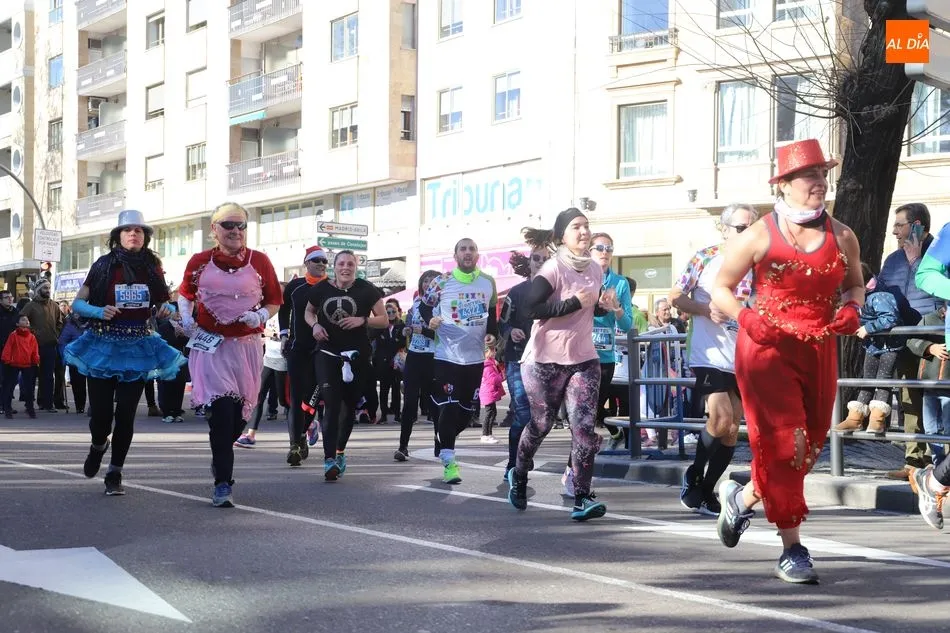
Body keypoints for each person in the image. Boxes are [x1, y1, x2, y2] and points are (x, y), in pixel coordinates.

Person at [711, 139, 863, 584]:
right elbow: (721, 287)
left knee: (809, 445)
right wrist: (745, 318)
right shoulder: (759, 234)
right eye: (809, 175)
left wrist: (853, 308)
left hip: (818, 350)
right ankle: (792, 549)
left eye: (823, 174)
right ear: (784, 183)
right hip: (766, 351)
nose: (820, 182)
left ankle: (742, 499)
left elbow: (855, 285)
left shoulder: (843, 235)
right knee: (786, 444)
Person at [507, 208, 618, 521]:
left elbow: (588, 308)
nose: (583, 232)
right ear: (561, 236)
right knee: (541, 424)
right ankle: (519, 473)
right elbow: (531, 309)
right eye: (576, 227)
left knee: (584, 428)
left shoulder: (594, 269)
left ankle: (582, 496)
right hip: (545, 360)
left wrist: (601, 306)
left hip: (584, 359)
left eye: (586, 226)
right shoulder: (553, 268)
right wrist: (573, 303)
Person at [66, 210, 186, 496]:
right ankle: (98, 445)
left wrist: (167, 309)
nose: (134, 234)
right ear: (118, 236)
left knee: (126, 415)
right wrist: (98, 311)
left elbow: (165, 303)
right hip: (103, 346)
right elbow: (77, 304)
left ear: (145, 237)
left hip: (137, 347)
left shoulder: (152, 266)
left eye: (139, 230)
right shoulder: (103, 264)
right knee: (101, 417)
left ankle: (115, 472)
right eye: (128, 230)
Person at [177, 202, 282, 507]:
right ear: (214, 229)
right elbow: (185, 294)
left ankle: (221, 454)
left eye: (241, 225)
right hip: (211, 347)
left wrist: (260, 314)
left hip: (247, 348)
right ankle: (223, 482)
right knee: (221, 414)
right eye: (228, 225)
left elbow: (275, 300)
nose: (236, 231)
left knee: (237, 419)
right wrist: (186, 319)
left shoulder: (259, 261)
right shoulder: (199, 261)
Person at [671, 203, 757, 516]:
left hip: (741, 354)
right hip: (707, 352)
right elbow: (675, 297)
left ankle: (707, 491)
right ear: (724, 229)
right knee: (720, 418)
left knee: (732, 428)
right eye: (741, 228)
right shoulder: (705, 257)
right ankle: (693, 474)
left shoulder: (758, 264)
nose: (747, 233)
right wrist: (707, 310)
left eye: (752, 228)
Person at [304, 250, 387, 480]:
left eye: (350, 264)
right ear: (334, 266)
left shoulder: (367, 289)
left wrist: (363, 320)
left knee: (348, 407)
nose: (346, 268)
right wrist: (315, 326)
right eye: (341, 263)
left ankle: (340, 451)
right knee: (331, 404)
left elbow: (384, 320)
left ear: (356, 267)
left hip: (356, 356)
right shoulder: (322, 288)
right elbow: (309, 312)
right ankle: (329, 459)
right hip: (327, 353)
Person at [423, 238, 499, 484]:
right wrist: (430, 319)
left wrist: (492, 335)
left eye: (472, 249)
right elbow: (424, 307)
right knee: (449, 406)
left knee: (466, 413)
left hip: (474, 358)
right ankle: (449, 461)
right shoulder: (441, 281)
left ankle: (443, 440)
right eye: (463, 249)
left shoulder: (488, 282)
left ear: (477, 255)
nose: (468, 252)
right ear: (455, 255)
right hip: (446, 355)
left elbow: (492, 316)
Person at [878, 202, 934, 479]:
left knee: (937, 399)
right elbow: (882, 291)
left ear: (917, 226)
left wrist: (916, 262)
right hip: (903, 337)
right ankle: (914, 463)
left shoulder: (939, 253)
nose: (894, 231)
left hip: (935, 336)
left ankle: (939, 465)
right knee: (909, 399)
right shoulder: (892, 259)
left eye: (899, 225)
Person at [836, 263, 915, 435]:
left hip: (890, 346)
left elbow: (890, 318)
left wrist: (868, 328)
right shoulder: (864, 295)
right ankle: (855, 418)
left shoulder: (880, 296)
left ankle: (877, 419)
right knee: (867, 379)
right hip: (874, 345)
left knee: (883, 379)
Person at [499, 245, 549, 479]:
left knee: (540, 418)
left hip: (546, 361)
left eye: (545, 258)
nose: (539, 262)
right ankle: (513, 464)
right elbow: (502, 322)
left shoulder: (557, 291)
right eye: (536, 258)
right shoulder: (517, 291)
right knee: (522, 413)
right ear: (529, 262)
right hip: (518, 358)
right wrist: (511, 331)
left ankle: (524, 454)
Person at [279, 246, 328, 462]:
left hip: (323, 350)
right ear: (307, 263)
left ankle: (304, 432)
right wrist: (283, 335)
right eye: (317, 260)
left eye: (325, 261)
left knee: (313, 398)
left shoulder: (332, 286)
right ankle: (294, 446)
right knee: (296, 398)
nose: (321, 264)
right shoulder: (295, 286)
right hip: (298, 349)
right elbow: (283, 309)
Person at [394, 270, 441, 461]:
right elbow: (409, 327)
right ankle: (402, 446)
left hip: (434, 357)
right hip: (414, 356)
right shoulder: (415, 304)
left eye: (432, 281)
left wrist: (424, 331)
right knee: (409, 402)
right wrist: (406, 331)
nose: (428, 284)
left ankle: (440, 444)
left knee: (435, 403)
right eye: (425, 281)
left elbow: (445, 335)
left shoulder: (443, 306)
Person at [235, 330, 287, 448]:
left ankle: (307, 426)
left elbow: (290, 332)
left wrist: (275, 334)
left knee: (285, 401)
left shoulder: (287, 318)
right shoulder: (267, 317)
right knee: (258, 396)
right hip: (268, 358)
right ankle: (250, 435)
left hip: (283, 359)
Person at [19, 277, 64, 412]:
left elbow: (60, 323)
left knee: (48, 376)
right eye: (45, 288)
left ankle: (47, 404)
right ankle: (29, 404)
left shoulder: (54, 305)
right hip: (33, 347)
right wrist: (33, 333)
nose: (48, 290)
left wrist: (55, 334)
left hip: (50, 345)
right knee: (31, 376)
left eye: (49, 288)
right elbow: (22, 322)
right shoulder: (30, 306)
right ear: (38, 290)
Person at [370, 298, 406, 423]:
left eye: (393, 312)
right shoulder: (380, 326)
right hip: (383, 361)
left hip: (396, 361)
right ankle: (384, 414)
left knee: (396, 389)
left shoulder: (401, 325)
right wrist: (381, 323)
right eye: (388, 312)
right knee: (384, 389)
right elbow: (371, 335)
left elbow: (403, 343)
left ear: (397, 312)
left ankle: (397, 414)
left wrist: (403, 336)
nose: (391, 314)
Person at [1, 314, 38, 418]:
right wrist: (6, 360)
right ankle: (7, 408)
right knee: (10, 387)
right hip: (14, 364)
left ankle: (30, 408)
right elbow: (8, 348)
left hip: (27, 364)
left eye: (27, 320)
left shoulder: (31, 336)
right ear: (17, 323)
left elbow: (34, 350)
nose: (26, 321)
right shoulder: (13, 335)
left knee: (29, 388)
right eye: (23, 320)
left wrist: (35, 360)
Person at [57, 312, 88, 416]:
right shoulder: (70, 325)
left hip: (91, 358)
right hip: (75, 358)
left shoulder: (92, 323)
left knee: (94, 384)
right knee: (77, 383)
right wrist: (66, 354)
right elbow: (62, 342)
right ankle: (80, 406)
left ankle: (94, 406)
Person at [479, 335, 505, 444]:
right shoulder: (487, 366)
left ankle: (489, 433)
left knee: (492, 413)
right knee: (489, 414)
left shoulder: (491, 363)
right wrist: (502, 376)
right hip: (488, 393)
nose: (494, 353)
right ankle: (485, 434)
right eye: (492, 351)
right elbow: (493, 379)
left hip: (490, 392)